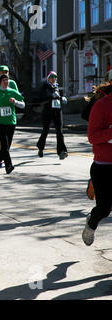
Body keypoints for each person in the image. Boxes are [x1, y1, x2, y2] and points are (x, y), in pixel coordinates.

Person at [81, 82, 112, 246]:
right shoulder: (101, 105)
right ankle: (91, 224)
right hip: (104, 166)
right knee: (104, 209)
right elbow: (93, 137)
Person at [0, 74, 25, 174]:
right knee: (4, 144)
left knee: (6, 146)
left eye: (7, 80)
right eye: (4, 80)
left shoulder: (12, 92)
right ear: (0, 82)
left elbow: (23, 105)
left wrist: (15, 102)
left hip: (10, 122)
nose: (6, 82)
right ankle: (9, 166)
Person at [36, 71, 68, 160]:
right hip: (47, 112)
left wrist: (62, 98)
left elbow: (58, 97)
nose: (54, 79)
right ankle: (40, 147)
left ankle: (61, 152)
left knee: (59, 132)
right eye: (52, 77)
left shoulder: (57, 87)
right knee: (45, 130)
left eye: (55, 77)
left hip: (57, 111)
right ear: (48, 78)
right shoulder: (45, 87)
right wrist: (51, 96)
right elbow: (41, 98)